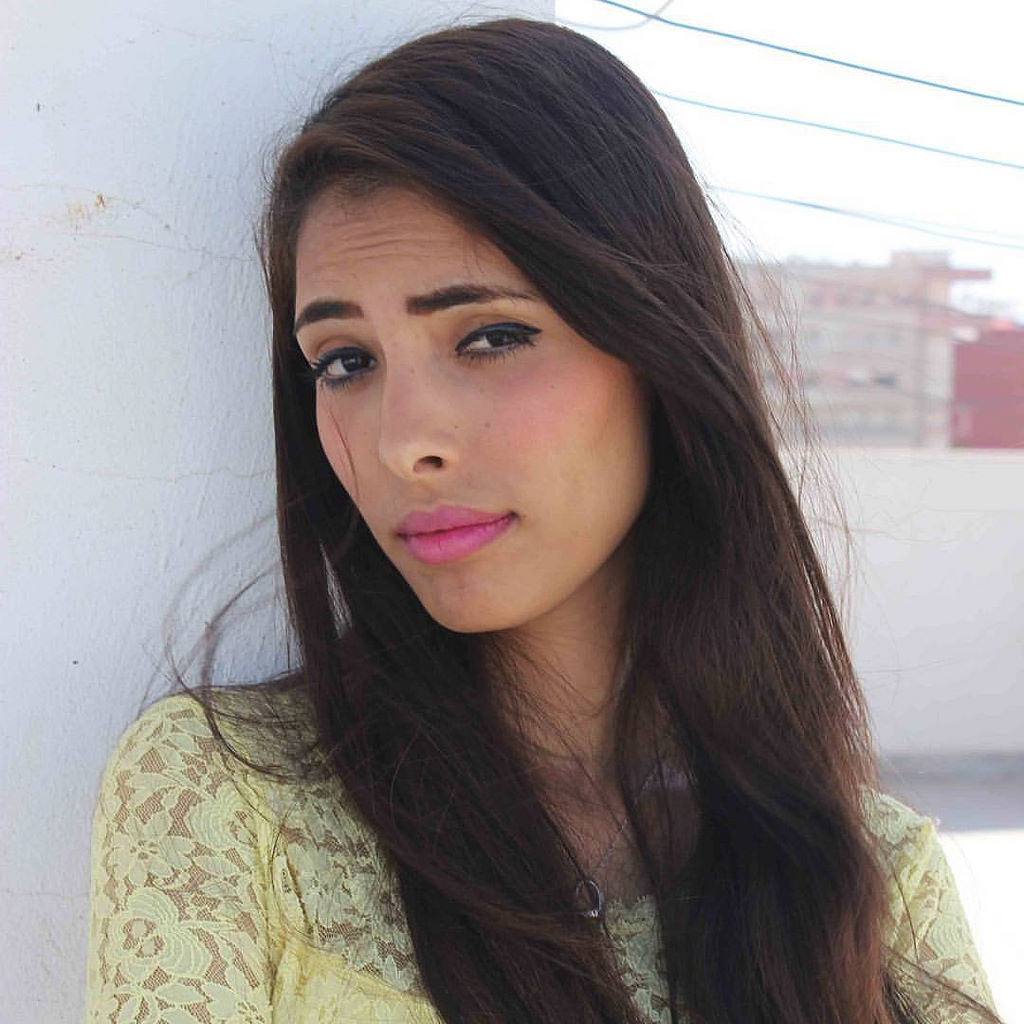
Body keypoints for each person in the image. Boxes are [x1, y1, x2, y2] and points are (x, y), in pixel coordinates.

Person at [84, 16, 1001, 1024]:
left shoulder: (870, 884)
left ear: (655, 350)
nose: (402, 442)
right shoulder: (225, 798)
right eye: (345, 360)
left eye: (490, 336)